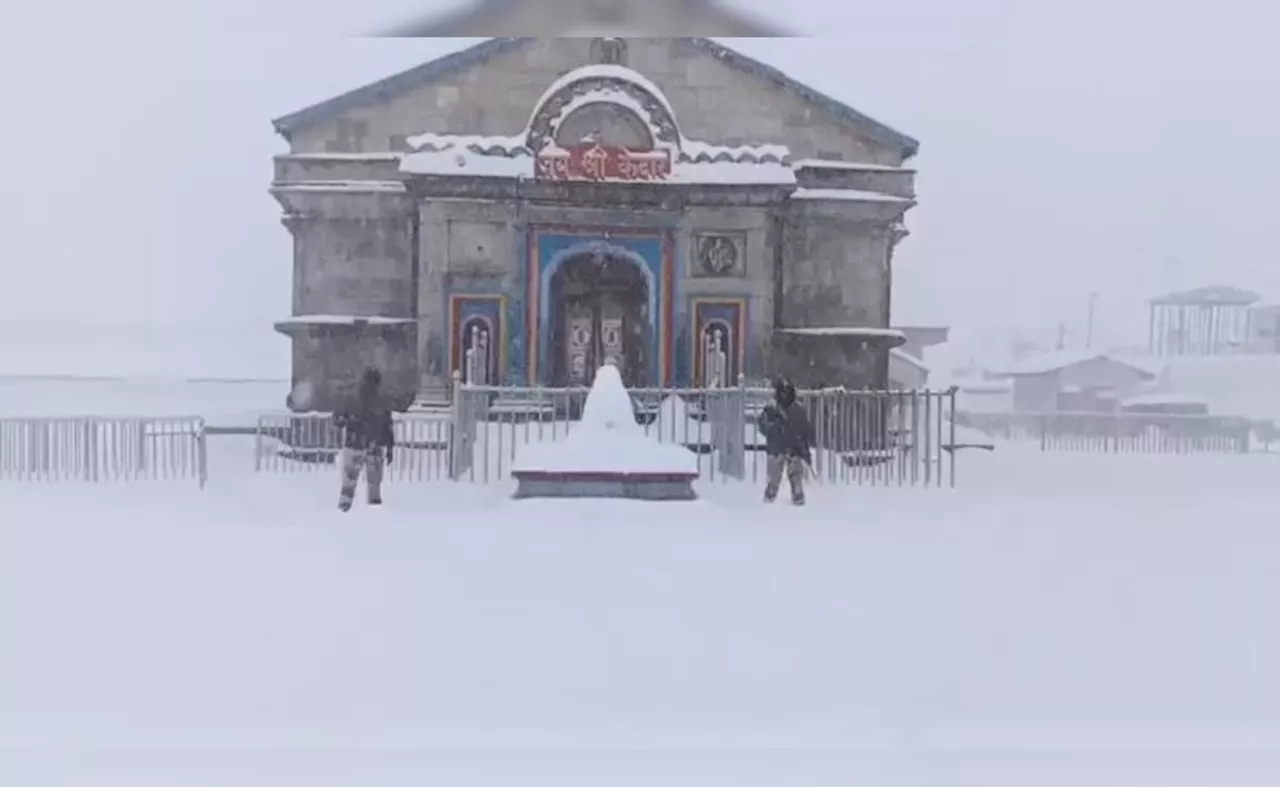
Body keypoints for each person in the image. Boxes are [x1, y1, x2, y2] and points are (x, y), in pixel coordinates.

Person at [333, 367, 395, 512]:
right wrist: (390, 447)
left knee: (348, 484)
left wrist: (346, 421)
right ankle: (374, 513)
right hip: (375, 445)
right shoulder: (381, 401)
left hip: (354, 444)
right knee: (374, 486)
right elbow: (388, 426)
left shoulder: (351, 398)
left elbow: (338, 419)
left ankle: (344, 510)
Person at [756, 377, 815, 505]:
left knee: (795, 473)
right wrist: (775, 428)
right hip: (777, 448)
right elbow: (763, 426)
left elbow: (806, 431)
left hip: (793, 448)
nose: (785, 395)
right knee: (774, 477)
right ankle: (769, 498)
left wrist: (804, 451)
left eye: (787, 392)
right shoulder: (771, 409)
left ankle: (797, 497)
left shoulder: (797, 410)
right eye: (783, 392)